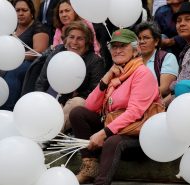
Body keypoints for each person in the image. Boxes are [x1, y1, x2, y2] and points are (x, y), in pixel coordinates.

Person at [69, 29, 161, 184]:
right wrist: (105, 80)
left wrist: (103, 133)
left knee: (113, 141)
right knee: (78, 113)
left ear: (135, 49)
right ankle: (90, 166)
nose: (117, 50)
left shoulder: (142, 73)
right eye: (114, 47)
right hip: (115, 128)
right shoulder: (116, 73)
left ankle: (102, 182)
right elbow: (90, 106)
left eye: (123, 46)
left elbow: (134, 113)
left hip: (138, 134)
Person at [35, 21, 105, 132]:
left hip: (74, 103)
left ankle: (47, 135)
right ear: (65, 39)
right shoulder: (57, 52)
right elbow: (42, 81)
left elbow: (94, 91)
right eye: (71, 37)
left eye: (80, 39)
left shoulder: (95, 61)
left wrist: (69, 97)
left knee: (77, 102)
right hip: (52, 96)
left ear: (87, 43)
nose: (74, 42)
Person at [2, 0, 49, 110]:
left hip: (30, 64)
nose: (20, 13)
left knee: (13, 73)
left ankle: (8, 110)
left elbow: (38, 52)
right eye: (17, 10)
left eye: (24, 10)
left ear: (31, 12)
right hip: (9, 62)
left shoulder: (38, 28)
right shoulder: (11, 28)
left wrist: (16, 56)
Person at [135, 21, 179, 98]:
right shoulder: (134, 59)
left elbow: (165, 89)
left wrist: (138, 97)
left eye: (146, 38)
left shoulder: (167, 58)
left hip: (156, 105)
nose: (141, 41)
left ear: (156, 41)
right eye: (139, 38)